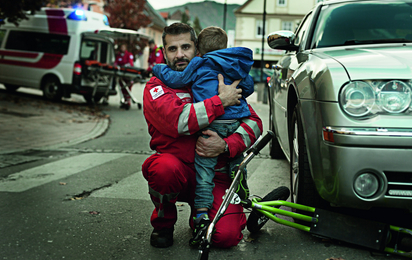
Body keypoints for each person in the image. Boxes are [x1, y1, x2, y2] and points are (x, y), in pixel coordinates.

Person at [142, 22, 262, 249]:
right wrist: (220, 102)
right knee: (162, 169)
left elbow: (254, 122)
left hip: (215, 174)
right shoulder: (156, 86)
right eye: (172, 49)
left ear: (197, 49)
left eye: (185, 47)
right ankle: (164, 223)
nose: (180, 55)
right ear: (164, 52)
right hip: (180, 172)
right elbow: (179, 121)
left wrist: (226, 145)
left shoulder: (219, 76)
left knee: (226, 237)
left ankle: (216, 214)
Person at [115, 43, 134, 109]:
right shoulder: (119, 55)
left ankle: (128, 102)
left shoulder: (129, 55)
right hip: (121, 74)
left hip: (128, 74)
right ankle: (124, 102)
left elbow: (130, 64)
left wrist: (124, 66)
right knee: (122, 87)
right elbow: (116, 62)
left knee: (128, 88)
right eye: (121, 47)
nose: (122, 48)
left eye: (123, 47)